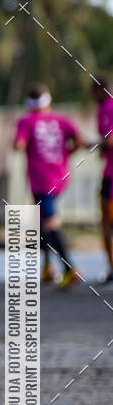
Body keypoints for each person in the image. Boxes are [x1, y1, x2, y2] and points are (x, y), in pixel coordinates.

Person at [13, 83, 82, 289]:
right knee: (42, 220)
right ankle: (47, 267)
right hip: (61, 176)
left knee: (51, 223)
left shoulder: (26, 121)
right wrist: (67, 154)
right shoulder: (61, 120)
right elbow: (79, 140)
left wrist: (19, 143)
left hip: (42, 180)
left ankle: (70, 268)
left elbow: (19, 146)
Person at [90, 75, 113, 283]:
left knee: (107, 223)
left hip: (111, 176)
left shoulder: (107, 107)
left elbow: (109, 142)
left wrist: (91, 145)